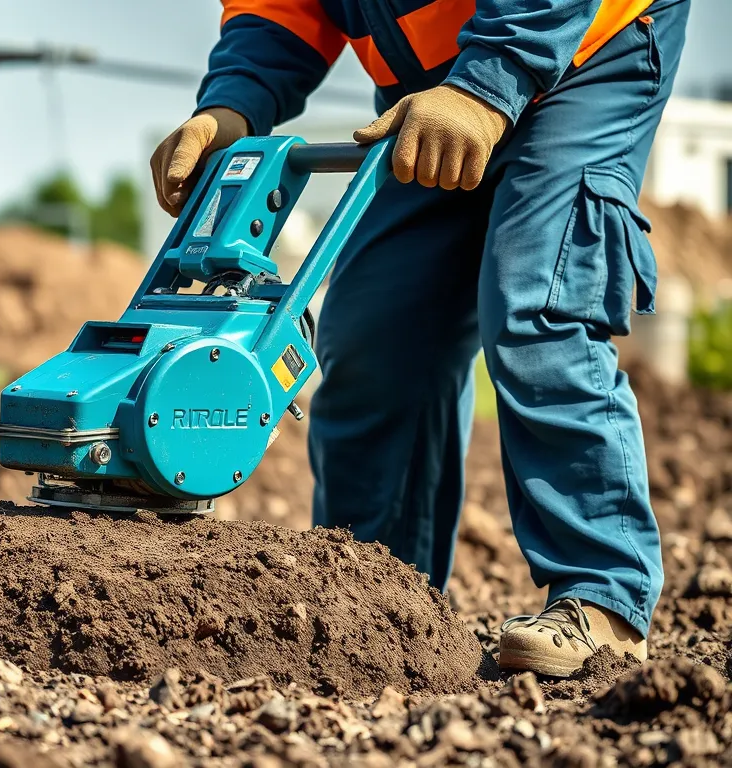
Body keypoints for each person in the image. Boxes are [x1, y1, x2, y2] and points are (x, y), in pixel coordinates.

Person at [150, 0, 690, 678]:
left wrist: (492, 78)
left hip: (585, 47)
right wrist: (234, 103)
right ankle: (381, 601)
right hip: (429, 92)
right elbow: (280, 8)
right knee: (376, 335)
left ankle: (603, 597)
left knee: (535, 299)